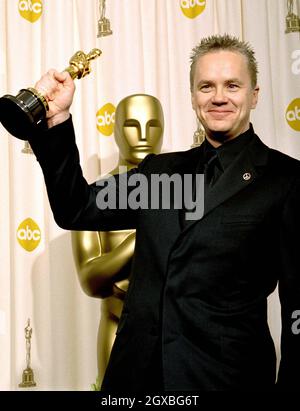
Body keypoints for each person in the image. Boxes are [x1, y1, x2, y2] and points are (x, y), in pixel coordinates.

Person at [27, 34, 300, 391]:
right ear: (192, 96)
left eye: (232, 85)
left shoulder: (285, 180)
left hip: (228, 380)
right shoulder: (162, 175)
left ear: (254, 94)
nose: (218, 97)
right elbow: (77, 207)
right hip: (136, 380)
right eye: (206, 86)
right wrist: (57, 120)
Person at [71, 94, 164, 386]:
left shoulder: (183, 193)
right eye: (132, 125)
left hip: (173, 336)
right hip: (116, 331)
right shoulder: (94, 198)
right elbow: (90, 281)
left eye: (152, 126)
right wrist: (139, 242)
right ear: (115, 131)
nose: (143, 136)